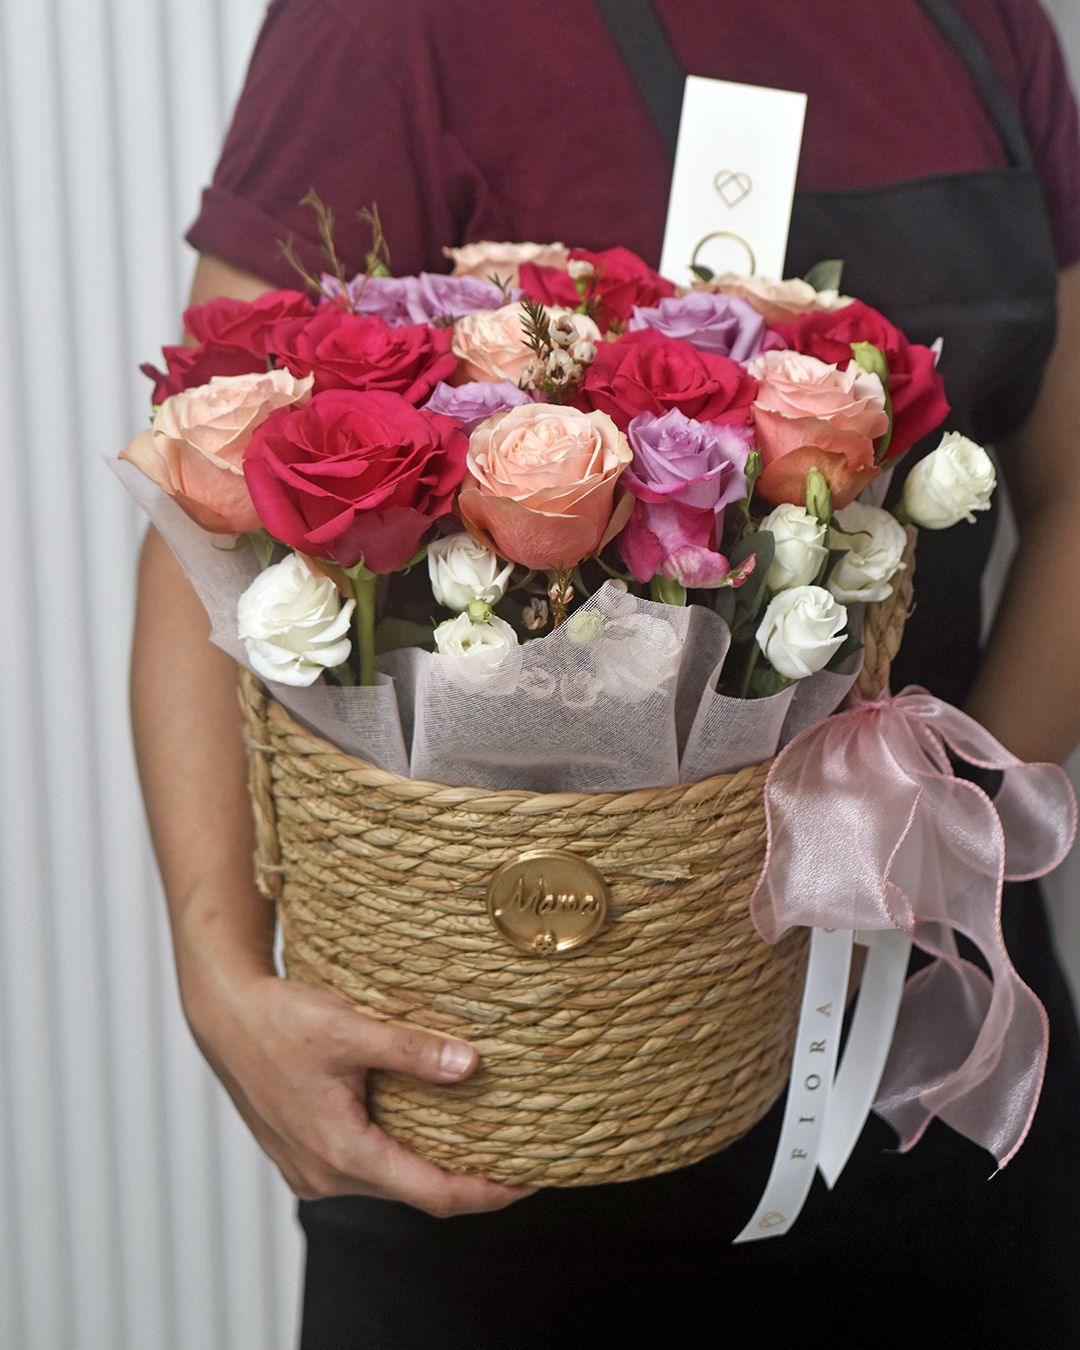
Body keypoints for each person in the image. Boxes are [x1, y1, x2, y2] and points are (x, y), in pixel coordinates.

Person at [133, 0, 1080, 1343]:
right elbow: (203, 504)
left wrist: (926, 835)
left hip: (924, 1054)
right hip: (510, 1093)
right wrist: (218, 972)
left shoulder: (986, 23)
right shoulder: (396, 26)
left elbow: (1076, 483)